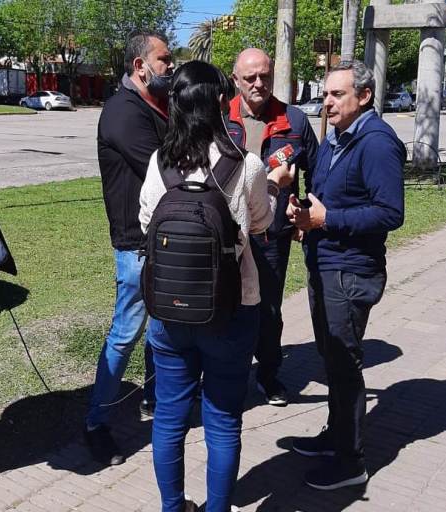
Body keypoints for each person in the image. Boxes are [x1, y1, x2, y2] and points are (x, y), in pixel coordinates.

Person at [139, 60, 290, 512]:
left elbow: (146, 224)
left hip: (169, 309)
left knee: (169, 419)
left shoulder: (159, 163)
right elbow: (260, 225)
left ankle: (172, 507)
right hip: (233, 307)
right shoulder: (246, 165)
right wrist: (274, 187)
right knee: (223, 420)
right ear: (222, 103)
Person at [287, 60, 405, 490]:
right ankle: (336, 437)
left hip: (350, 270)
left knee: (344, 364)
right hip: (325, 263)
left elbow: (390, 213)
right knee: (332, 359)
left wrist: (327, 219)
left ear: (365, 96)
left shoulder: (377, 143)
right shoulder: (337, 136)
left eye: (337, 94)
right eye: (326, 94)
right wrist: (305, 213)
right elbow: (328, 195)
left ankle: (351, 461)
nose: (327, 102)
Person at [86, 30, 174, 466]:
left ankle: (155, 401)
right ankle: (95, 424)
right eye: (164, 60)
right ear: (140, 67)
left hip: (164, 239)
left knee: (163, 330)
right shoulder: (123, 112)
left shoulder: (156, 105)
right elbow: (167, 168)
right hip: (137, 245)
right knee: (125, 334)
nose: (170, 66)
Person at [228, 48, 318, 406]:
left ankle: (268, 375)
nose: (258, 83)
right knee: (226, 305)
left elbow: (315, 170)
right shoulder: (219, 117)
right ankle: (226, 375)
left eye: (264, 76)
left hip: (271, 235)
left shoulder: (294, 120)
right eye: (250, 77)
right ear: (236, 80)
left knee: (268, 310)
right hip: (228, 233)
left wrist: (305, 210)